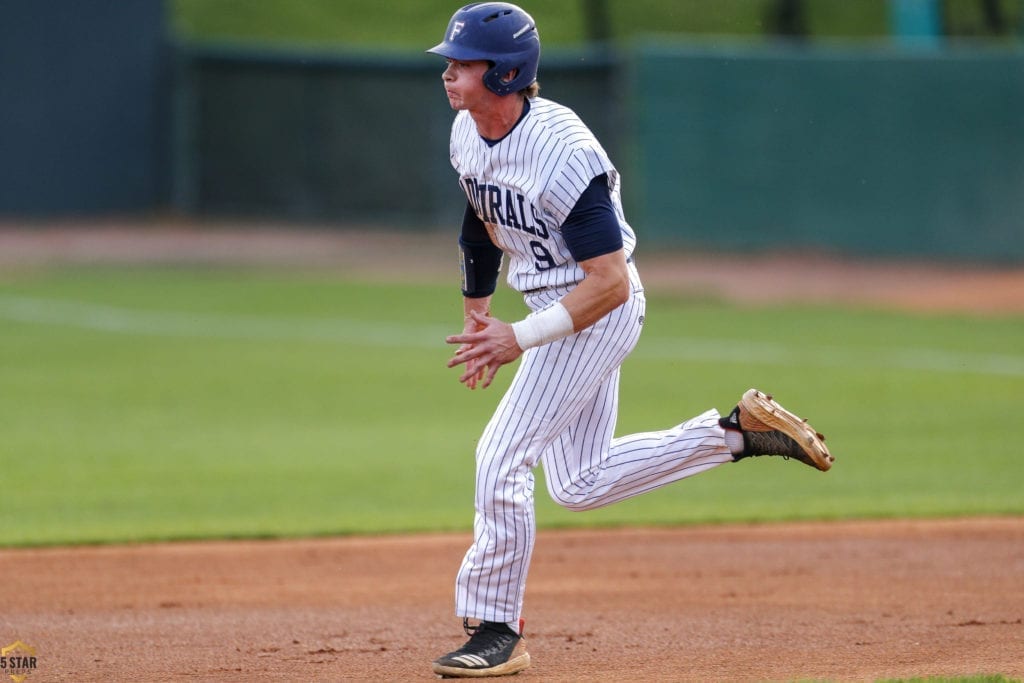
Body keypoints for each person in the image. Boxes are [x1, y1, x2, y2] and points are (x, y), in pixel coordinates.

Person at [427, 3, 834, 677]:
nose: (449, 72)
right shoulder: (467, 134)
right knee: (580, 482)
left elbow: (611, 282)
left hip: (594, 308)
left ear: (504, 73)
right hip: (553, 303)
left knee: (500, 456)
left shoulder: (563, 153)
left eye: (463, 63)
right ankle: (739, 432)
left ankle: (496, 627)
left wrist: (519, 338)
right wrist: (478, 312)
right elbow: (480, 220)